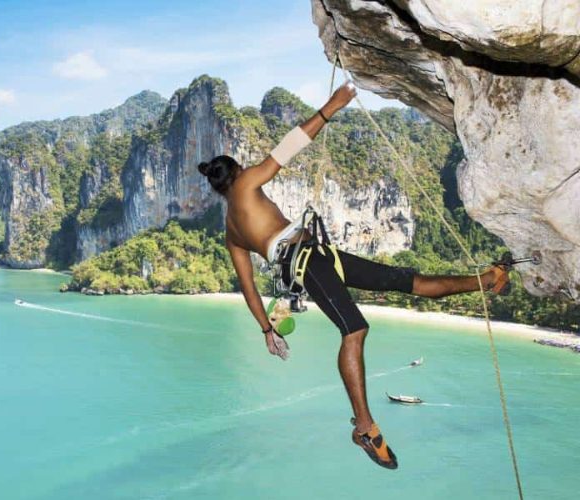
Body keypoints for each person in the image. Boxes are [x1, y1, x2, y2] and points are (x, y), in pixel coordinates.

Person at [196, 82, 510, 470]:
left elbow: (247, 288)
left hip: (321, 257)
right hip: (307, 262)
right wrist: (334, 105)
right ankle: (364, 427)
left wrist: (267, 330)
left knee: (408, 281)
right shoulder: (247, 183)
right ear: (238, 173)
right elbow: (289, 146)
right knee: (355, 330)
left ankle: (487, 279)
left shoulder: (231, 233)